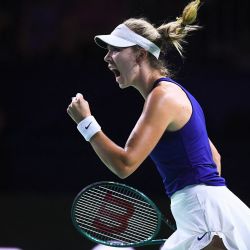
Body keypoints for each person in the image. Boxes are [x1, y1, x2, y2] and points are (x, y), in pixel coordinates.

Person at [67, 0, 250, 249]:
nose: (107, 57)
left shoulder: (162, 98)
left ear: (141, 54)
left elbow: (125, 164)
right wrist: (192, 202)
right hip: (205, 210)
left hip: (204, 214)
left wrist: (86, 123)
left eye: (116, 49)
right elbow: (214, 158)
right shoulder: (172, 94)